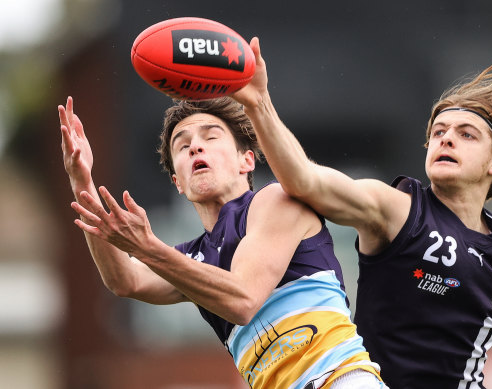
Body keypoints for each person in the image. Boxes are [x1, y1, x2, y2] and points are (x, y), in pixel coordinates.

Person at [232, 38, 492, 388]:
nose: (446, 139)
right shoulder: (397, 209)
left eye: (466, 134)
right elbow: (305, 181)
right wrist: (258, 104)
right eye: (438, 132)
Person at [58, 96, 388, 389]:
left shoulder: (276, 201)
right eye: (182, 145)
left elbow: (243, 299)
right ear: (178, 182)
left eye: (211, 137)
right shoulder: (191, 259)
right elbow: (124, 279)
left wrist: (148, 248)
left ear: (246, 160)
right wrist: (81, 180)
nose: (195, 147)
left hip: (341, 379)